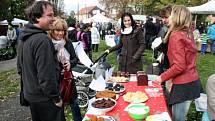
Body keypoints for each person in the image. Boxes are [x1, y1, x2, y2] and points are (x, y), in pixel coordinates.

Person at [17, 1, 64, 121]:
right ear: (37, 17)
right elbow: (46, 76)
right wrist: (56, 98)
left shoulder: (24, 38)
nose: (53, 19)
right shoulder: (42, 40)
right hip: (45, 100)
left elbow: (20, 68)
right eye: (50, 15)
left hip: (32, 97)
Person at [155, 5, 201, 121]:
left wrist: (162, 77)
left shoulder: (176, 35)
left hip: (184, 84)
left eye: (171, 15)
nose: (168, 18)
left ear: (176, 17)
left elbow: (180, 65)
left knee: (177, 118)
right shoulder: (187, 33)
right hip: (191, 81)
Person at [48, 18, 82, 121]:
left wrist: (70, 64)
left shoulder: (68, 42)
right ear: (52, 31)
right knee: (59, 107)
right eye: (58, 30)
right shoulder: (48, 44)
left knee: (74, 103)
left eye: (63, 30)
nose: (60, 33)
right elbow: (47, 64)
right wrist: (58, 69)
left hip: (68, 80)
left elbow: (75, 58)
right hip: (56, 81)